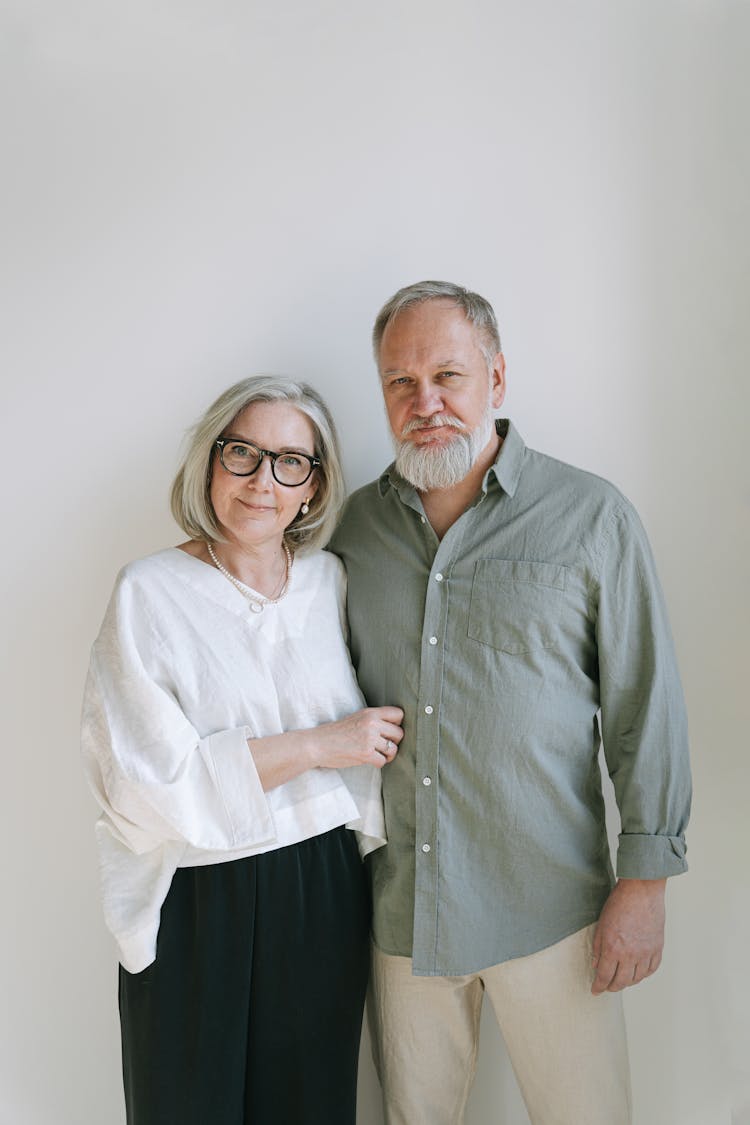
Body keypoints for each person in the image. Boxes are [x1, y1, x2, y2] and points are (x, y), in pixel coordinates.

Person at [330, 281, 691, 1125]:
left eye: (448, 375)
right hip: (401, 910)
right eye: (400, 383)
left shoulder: (590, 517)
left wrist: (645, 883)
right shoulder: (351, 533)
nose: (427, 404)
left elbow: (646, 706)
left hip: (554, 909)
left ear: (497, 377)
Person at [81, 375, 404, 1125]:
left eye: (291, 461)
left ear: (314, 486)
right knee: (186, 1105)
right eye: (244, 454)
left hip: (322, 884)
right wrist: (322, 744)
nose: (264, 480)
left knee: (312, 1103)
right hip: (199, 891)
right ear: (210, 462)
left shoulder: (330, 582)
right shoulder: (149, 592)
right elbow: (148, 783)